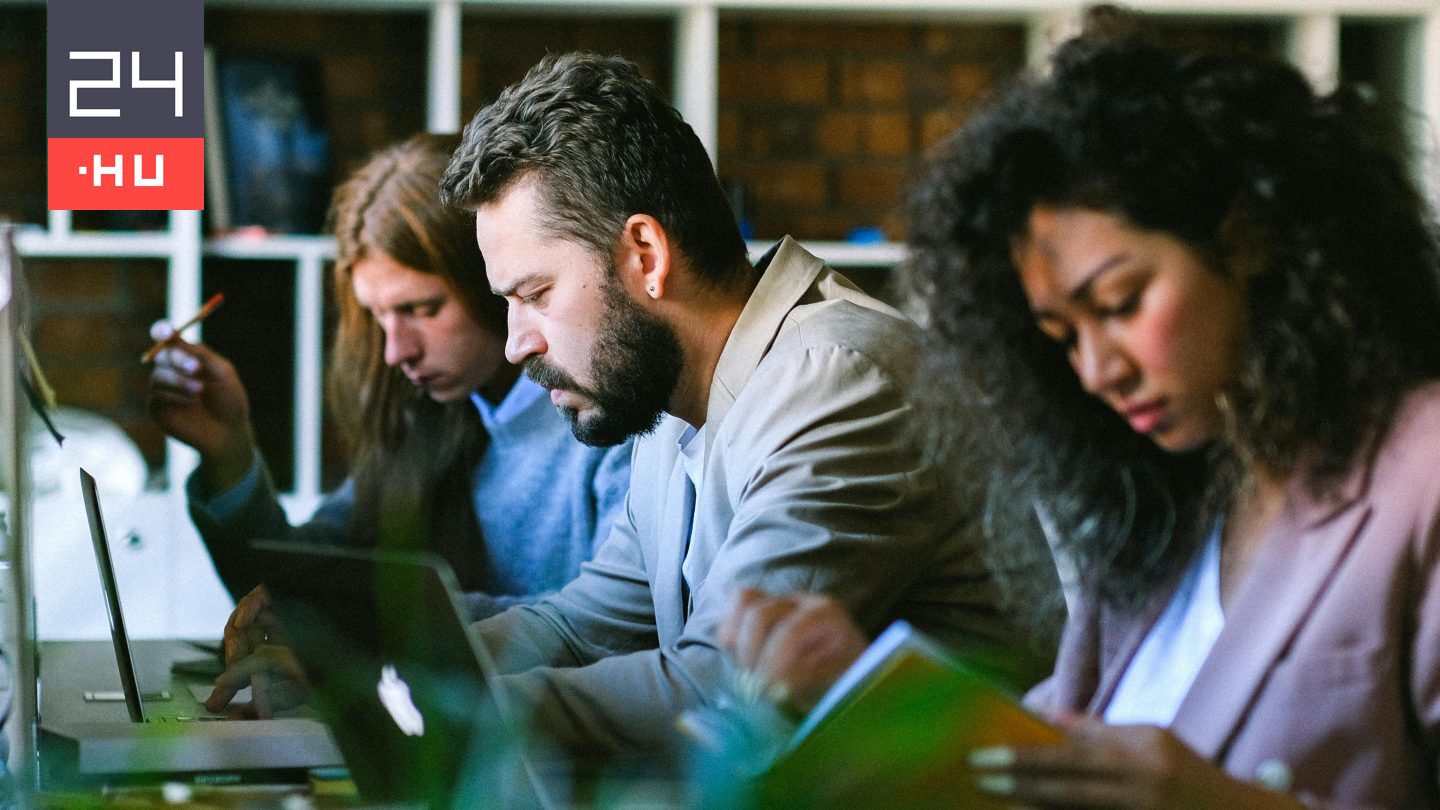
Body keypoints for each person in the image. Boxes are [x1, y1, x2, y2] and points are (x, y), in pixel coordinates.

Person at [722, 14, 1440, 809]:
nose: (1096, 372)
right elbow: (1054, 764)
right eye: (1061, 336)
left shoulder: (1423, 467)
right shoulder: (1155, 500)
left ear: (1250, 238)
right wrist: (859, 695)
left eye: (1121, 303)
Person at [424, 51, 1035, 763]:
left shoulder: (835, 380)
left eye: (535, 295)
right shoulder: (672, 401)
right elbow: (582, 627)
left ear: (645, 255)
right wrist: (363, 656)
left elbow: (724, 683)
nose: (515, 344)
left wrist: (441, 702)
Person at [148, 133, 631, 626]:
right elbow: (293, 583)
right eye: (379, 318)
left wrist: (369, 624)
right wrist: (228, 452)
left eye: (422, 309)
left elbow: (608, 627)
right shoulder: (425, 419)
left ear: (494, 281)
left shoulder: (610, 423)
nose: (397, 351)